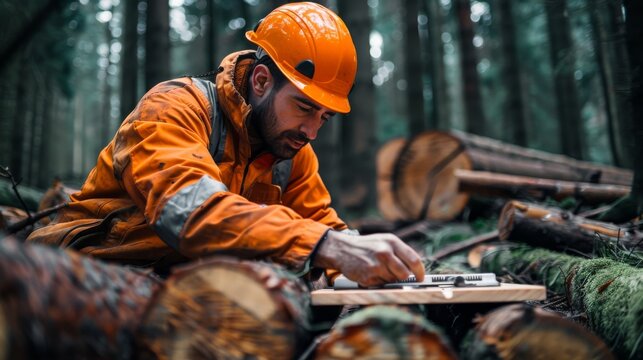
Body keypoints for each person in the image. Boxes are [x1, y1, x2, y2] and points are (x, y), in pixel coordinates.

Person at [27, 2, 424, 286]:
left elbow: (323, 224)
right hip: (72, 277)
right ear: (262, 81)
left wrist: (368, 259)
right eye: (305, 108)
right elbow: (191, 216)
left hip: (175, 286)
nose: (311, 131)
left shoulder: (292, 151)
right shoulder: (173, 107)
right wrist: (325, 246)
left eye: (325, 116)